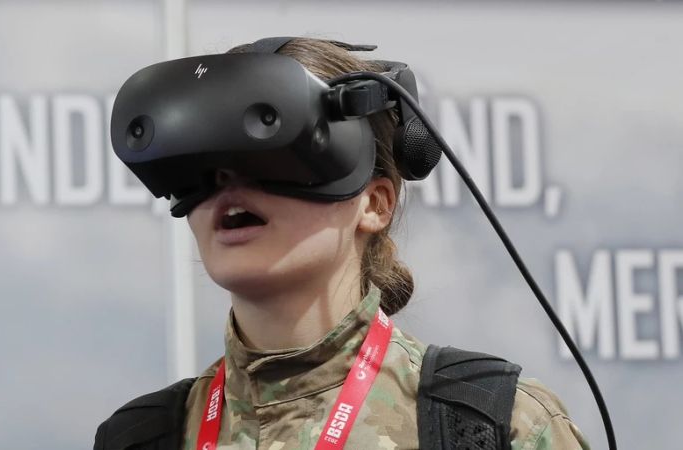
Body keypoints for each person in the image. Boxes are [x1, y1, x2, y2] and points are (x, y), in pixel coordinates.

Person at [97, 37, 589, 450]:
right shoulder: (141, 438)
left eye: (274, 156)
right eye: (201, 164)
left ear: (374, 203)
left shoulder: (493, 423)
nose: (228, 183)